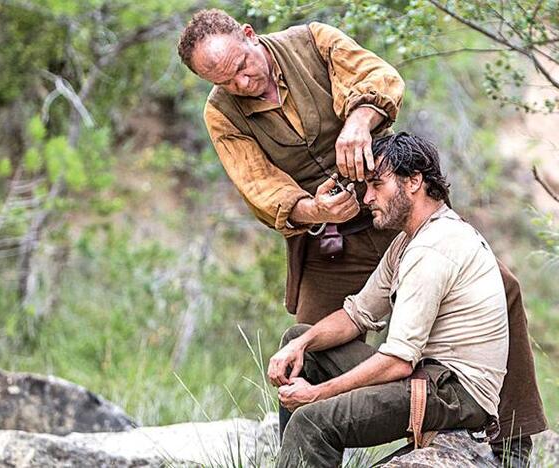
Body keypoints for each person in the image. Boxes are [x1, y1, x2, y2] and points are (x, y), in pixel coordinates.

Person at [177, 10, 546, 463]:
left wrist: (359, 120)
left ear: (250, 36)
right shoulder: (221, 112)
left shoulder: (312, 41)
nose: (241, 83)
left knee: (503, 286)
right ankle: (302, 452)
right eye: (223, 81)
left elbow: (381, 77)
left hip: (394, 207)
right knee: (305, 340)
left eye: (241, 66)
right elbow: (258, 186)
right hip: (330, 239)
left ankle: (510, 444)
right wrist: (314, 208)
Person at [268, 132, 508, 466]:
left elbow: (399, 360)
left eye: (377, 185)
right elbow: (357, 315)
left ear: (413, 182)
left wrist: (317, 394)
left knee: (312, 422)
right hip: (426, 376)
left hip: (455, 394)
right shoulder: (408, 241)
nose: (366, 198)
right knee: (300, 341)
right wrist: (302, 343)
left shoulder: (433, 247)